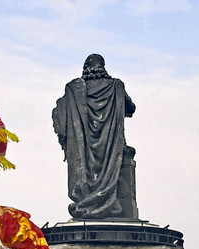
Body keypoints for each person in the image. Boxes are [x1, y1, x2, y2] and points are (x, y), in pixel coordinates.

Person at [52, 54, 138, 220]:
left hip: (83, 149)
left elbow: (60, 114)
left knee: (86, 169)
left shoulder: (74, 89)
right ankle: (110, 202)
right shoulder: (116, 86)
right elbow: (131, 108)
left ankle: (88, 202)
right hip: (111, 148)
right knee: (115, 165)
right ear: (102, 66)